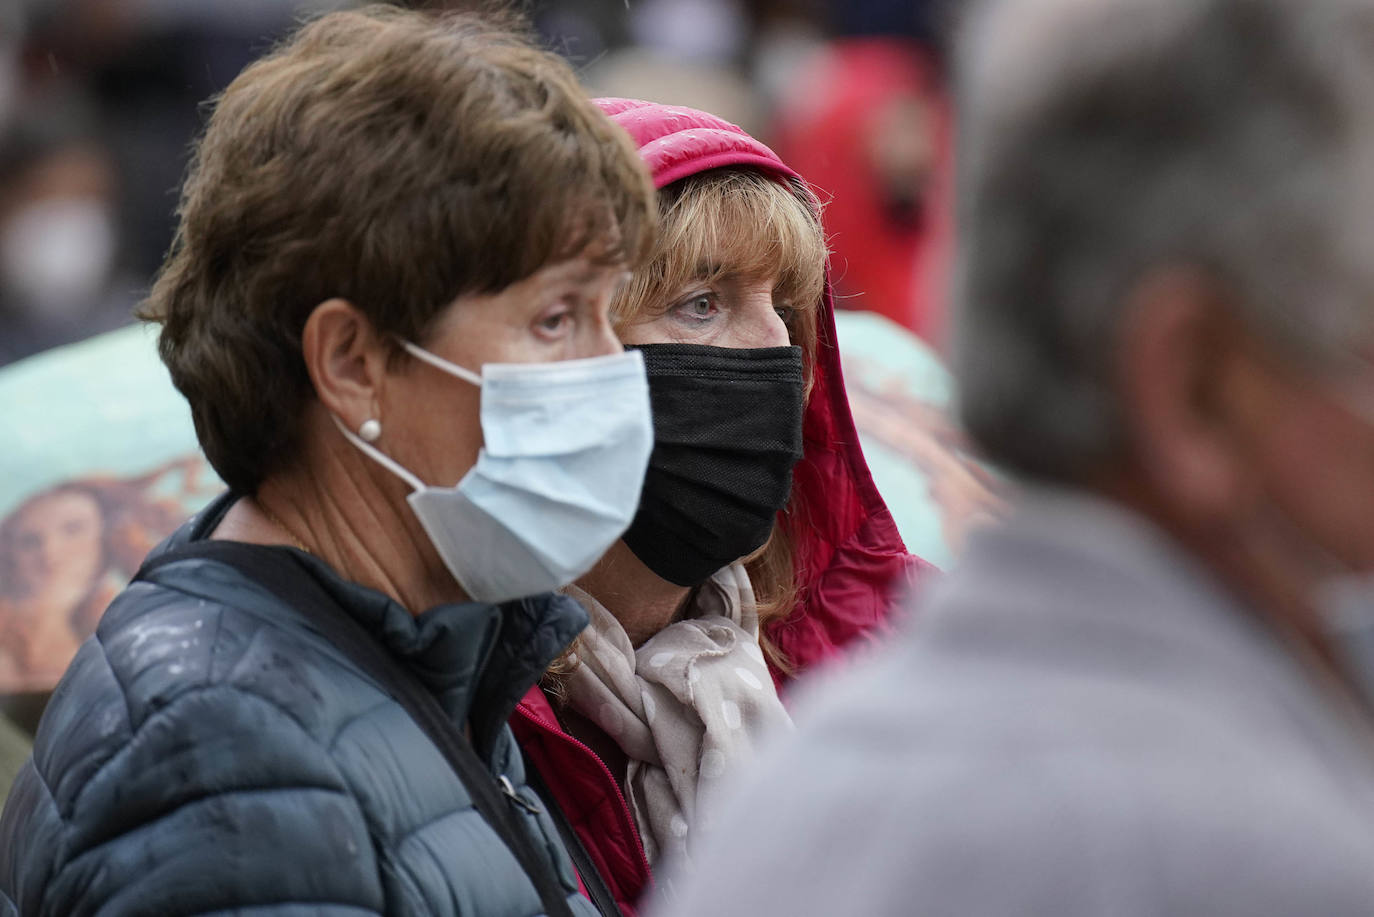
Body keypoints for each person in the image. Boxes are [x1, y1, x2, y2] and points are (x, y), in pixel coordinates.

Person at [650, 0, 1374, 914]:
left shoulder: (780, 793)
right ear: (1193, 387)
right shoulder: (1276, 859)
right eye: (1365, 342)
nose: (772, 355)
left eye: (789, 309)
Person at [0, 7, 658, 915]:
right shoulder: (224, 759)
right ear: (352, 364)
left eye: (606, 314)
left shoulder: (426, 645)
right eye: (556, 319)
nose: (613, 371)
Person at [511, 98, 928, 914]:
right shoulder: (457, 704)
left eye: (786, 305)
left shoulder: (890, 648)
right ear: (550, 356)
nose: (777, 347)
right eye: (702, 302)